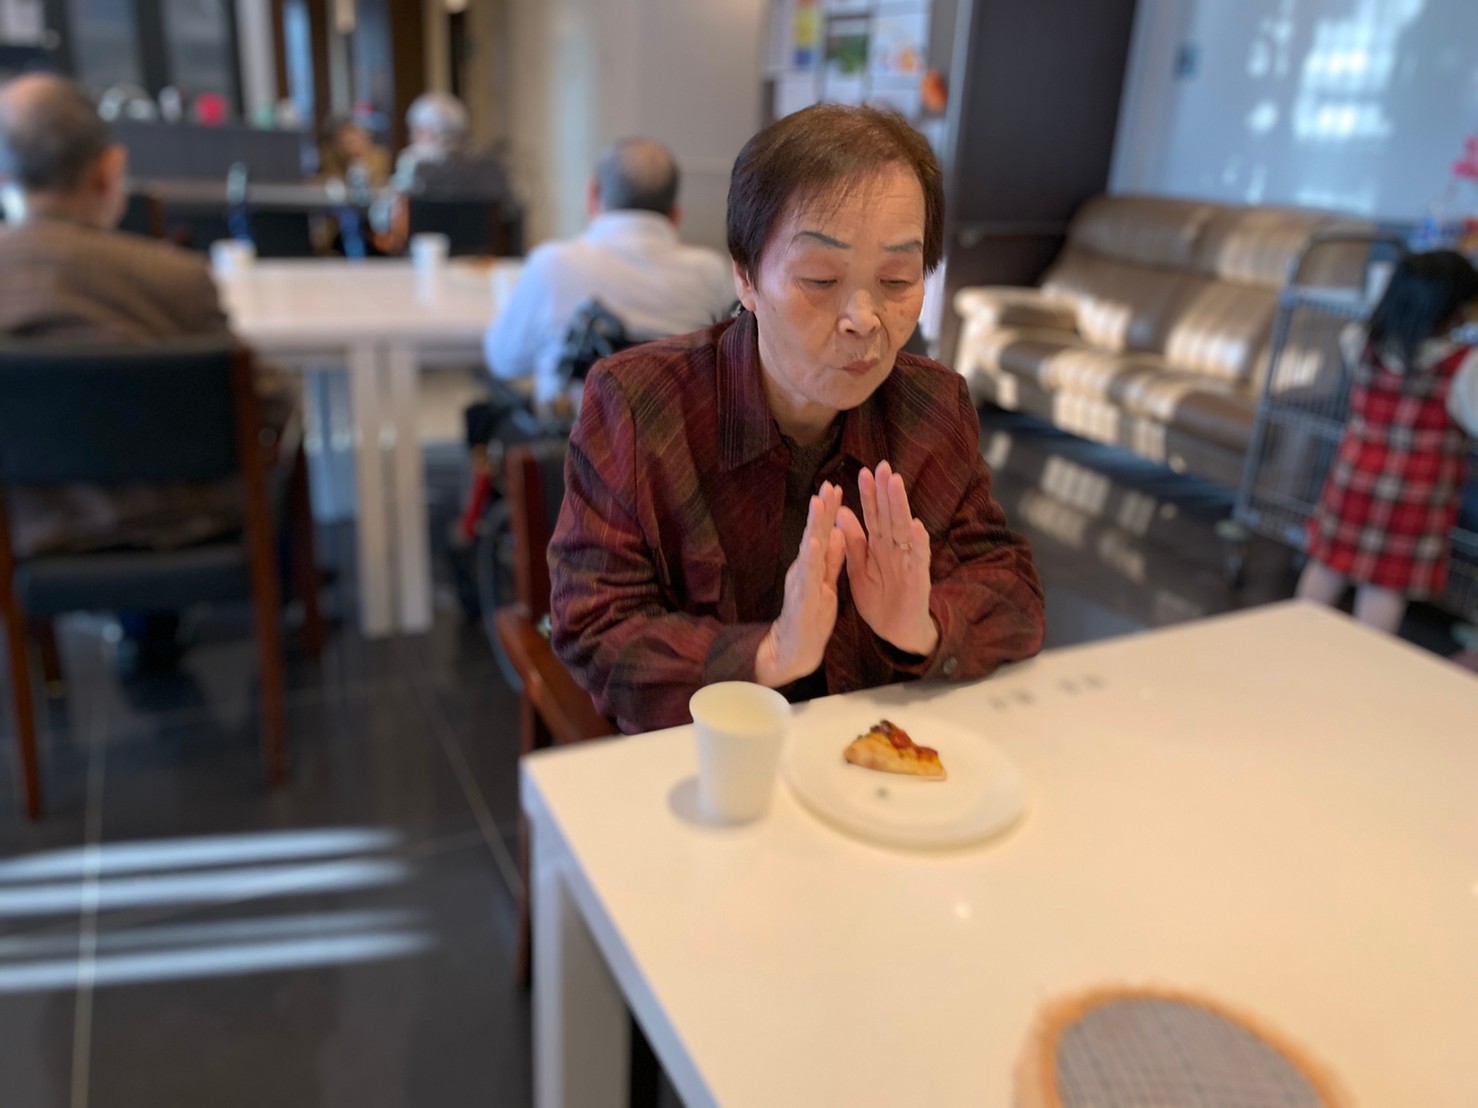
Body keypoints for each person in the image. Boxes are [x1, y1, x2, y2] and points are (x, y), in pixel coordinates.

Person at [548, 104, 1045, 734]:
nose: (863, 318)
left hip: (871, 759)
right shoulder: (640, 404)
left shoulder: (932, 408)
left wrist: (920, 626)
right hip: (715, 760)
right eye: (820, 279)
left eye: (896, 280)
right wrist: (770, 653)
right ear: (745, 277)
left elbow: (1011, 592)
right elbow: (594, 628)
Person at [0, 74, 294, 671]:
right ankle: (279, 616)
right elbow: (268, 401)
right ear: (109, 169)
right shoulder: (173, 277)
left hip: (33, 525)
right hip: (185, 521)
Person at [483, 136, 736, 415]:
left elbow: (504, 361)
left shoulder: (551, 264)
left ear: (592, 195)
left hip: (571, 438)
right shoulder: (712, 273)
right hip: (679, 438)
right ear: (675, 214)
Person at [1297, 250, 1478, 634]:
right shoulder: (1465, 367)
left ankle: (1291, 641)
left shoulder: (1359, 341)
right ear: (1457, 309)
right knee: (1385, 585)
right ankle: (1364, 662)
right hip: (1415, 495)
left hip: (1354, 478)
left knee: (1328, 565)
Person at [377, 91, 514, 254]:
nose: (411, 137)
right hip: (482, 257)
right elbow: (510, 210)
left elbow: (383, 218)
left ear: (431, 131)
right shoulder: (489, 164)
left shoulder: (414, 163)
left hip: (425, 257)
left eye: (417, 131)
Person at [319, 115, 391, 190]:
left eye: (352, 142)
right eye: (343, 143)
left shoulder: (380, 156)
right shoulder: (330, 158)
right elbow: (329, 180)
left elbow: (379, 181)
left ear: (365, 140)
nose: (348, 148)